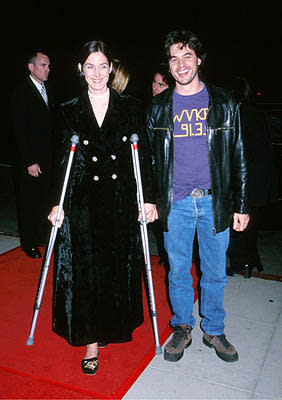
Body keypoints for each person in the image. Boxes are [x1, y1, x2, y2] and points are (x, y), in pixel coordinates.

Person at [48, 40, 157, 376]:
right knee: (86, 273)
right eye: (90, 66)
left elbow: (143, 156)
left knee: (114, 269)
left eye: (102, 65)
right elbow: (60, 162)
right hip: (82, 202)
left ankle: (111, 326)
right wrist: (56, 202)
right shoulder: (68, 108)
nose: (97, 73)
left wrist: (148, 197)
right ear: (80, 69)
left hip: (120, 199)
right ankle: (91, 341)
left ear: (112, 68)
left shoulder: (131, 107)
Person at [145, 29, 250, 363]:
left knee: (215, 271)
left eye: (187, 56)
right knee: (177, 270)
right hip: (174, 203)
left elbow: (239, 155)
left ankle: (214, 330)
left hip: (212, 201)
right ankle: (182, 327)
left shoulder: (223, 102)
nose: (180, 64)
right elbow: (149, 161)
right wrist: (148, 199)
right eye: (174, 58)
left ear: (199, 60)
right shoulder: (158, 107)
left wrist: (242, 205)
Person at [226, 77, 279, 278]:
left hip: (249, 177)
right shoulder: (257, 112)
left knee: (239, 222)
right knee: (251, 223)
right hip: (263, 177)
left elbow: (239, 150)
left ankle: (241, 262)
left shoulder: (239, 114)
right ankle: (252, 260)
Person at [10, 51, 54, 258]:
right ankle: (28, 243)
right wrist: (29, 160)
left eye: (48, 66)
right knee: (28, 202)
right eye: (43, 65)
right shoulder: (21, 93)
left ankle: (40, 237)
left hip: (46, 159)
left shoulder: (47, 90)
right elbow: (18, 130)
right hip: (30, 161)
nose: (47, 69)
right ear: (31, 67)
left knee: (42, 200)